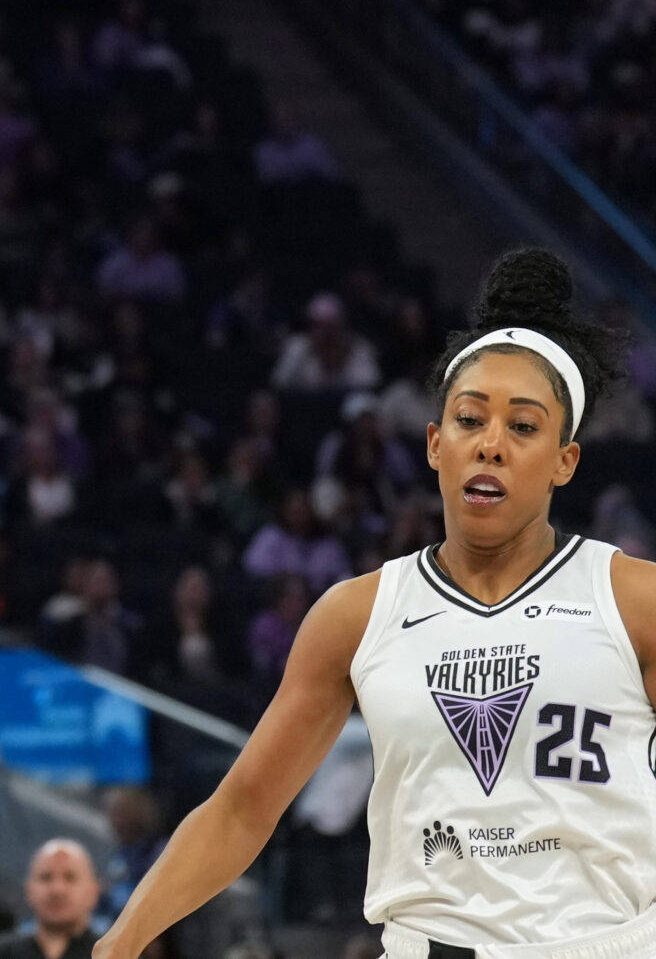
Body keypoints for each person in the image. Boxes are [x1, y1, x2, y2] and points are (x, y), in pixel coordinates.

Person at [98, 247, 656, 959]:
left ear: (564, 460)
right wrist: (118, 943)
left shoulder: (635, 599)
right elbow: (241, 809)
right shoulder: (357, 613)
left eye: (523, 426)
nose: (491, 444)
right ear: (434, 443)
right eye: (469, 418)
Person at [0, 839, 103, 959]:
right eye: (45, 877)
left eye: (70, 878)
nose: (57, 890)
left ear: (94, 892)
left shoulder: (110, 955)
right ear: (28, 890)